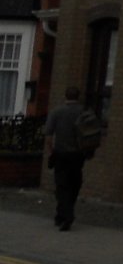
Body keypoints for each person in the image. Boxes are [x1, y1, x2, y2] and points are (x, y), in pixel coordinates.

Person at [42, 86, 93, 231]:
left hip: (61, 153)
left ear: (66, 96)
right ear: (78, 96)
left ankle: (66, 215)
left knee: (62, 185)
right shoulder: (84, 112)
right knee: (75, 183)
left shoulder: (57, 112)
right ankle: (62, 214)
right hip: (78, 154)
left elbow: (49, 136)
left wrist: (51, 151)